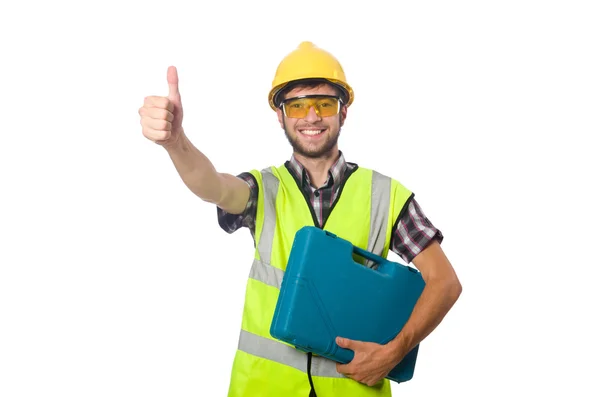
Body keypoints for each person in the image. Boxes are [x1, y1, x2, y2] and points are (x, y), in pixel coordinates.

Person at [138, 41, 462, 397]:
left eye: (324, 103)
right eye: (297, 105)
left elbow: (444, 282)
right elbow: (212, 186)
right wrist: (176, 143)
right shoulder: (263, 189)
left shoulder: (386, 195)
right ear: (280, 115)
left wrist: (394, 352)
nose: (311, 116)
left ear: (344, 111)